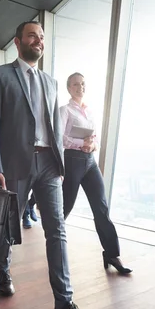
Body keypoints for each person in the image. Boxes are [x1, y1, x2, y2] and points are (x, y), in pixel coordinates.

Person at [0, 21, 99, 309]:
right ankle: (3, 271)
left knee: (57, 230)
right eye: (33, 35)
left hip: (49, 162)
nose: (39, 41)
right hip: (15, 164)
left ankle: (65, 304)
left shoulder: (50, 81)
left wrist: (63, 159)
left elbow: (53, 126)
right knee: (9, 226)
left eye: (43, 37)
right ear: (18, 42)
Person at [60, 73, 132, 274]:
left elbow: (95, 139)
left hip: (90, 162)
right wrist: (80, 143)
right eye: (75, 84)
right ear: (69, 88)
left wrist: (92, 146)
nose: (80, 87)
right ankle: (54, 248)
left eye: (82, 84)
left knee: (101, 208)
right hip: (72, 161)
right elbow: (60, 138)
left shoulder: (89, 112)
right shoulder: (64, 110)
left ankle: (112, 254)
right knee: (65, 208)